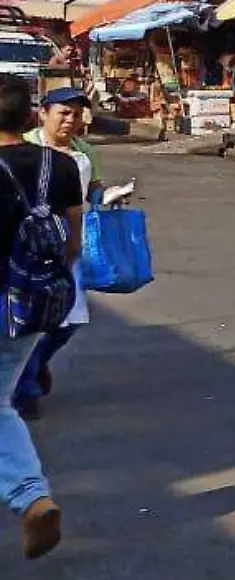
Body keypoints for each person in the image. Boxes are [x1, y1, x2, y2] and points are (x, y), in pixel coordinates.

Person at [0, 75, 84, 559]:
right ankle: (28, 496)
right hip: (36, 302)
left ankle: (29, 495)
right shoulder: (62, 166)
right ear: (31, 117)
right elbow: (73, 240)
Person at [16, 89, 98, 419]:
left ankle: (35, 367)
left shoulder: (84, 153)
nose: (70, 120)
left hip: (67, 245)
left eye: (76, 115)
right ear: (44, 113)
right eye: (64, 113)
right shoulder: (22, 148)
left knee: (68, 320)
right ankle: (27, 390)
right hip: (26, 243)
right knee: (30, 318)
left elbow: (90, 193)